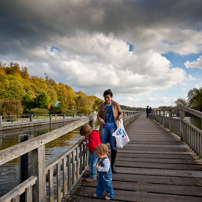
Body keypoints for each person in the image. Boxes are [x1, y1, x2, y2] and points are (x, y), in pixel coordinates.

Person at [97, 89, 123, 173]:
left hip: (113, 127)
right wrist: (100, 119)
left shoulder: (116, 104)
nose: (106, 99)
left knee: (113, 146)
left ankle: (112, 165)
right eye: (105, 98)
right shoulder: (101, 106)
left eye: (108, 97)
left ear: (111, 97)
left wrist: (120, 116)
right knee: (102, 146)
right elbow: (98, 116)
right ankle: (103, 164)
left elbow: (121, 112)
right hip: (104, 127)